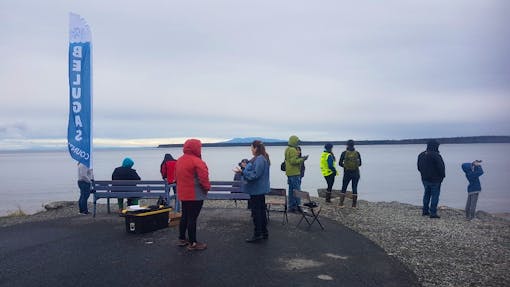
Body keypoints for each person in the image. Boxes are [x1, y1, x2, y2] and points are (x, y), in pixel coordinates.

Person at [175, 139, 211, 251]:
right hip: (195, 195)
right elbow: (203, 178)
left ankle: (182, 238)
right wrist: (207, 188)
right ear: (196, 148)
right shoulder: (197, 161)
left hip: (183, 194)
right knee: (192, 218)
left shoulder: (179, 160)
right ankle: (193, 243)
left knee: (185, 216)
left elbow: (176, 177)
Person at [241, 140, 271, 243]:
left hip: (256, 190)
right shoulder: (262, 158)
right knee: (261, 211)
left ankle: (258, 234)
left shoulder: (259, 159)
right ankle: (264, 232)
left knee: (257, 213)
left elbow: (255, 175)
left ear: (256, 148)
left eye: (252, 148)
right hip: (260, 190)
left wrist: (243, 172)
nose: (251, 150)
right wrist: (245, 170)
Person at [417, 140, 445, 219]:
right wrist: (442, 176)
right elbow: (441, 167)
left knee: (427, 194)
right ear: (435, 146)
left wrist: (423, 174)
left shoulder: (421, 155)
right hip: (435, 179)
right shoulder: (436, 155)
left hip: (425, 178)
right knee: (435, 195)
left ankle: (425, 211)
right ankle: (433, 213)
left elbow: (419, 167)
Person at [284, 135, 309, 212]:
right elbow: (293, 161)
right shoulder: (293, 150)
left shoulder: (287, 149)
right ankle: (299, 207)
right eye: (297, 141)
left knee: (291, 191)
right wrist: (303, 159)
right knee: (297, 191)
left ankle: (291, 207)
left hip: (289, 173)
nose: (298, 143)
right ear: (294, 141)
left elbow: (289, 160)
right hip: (294, 173)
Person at [338, 140, 362, 208]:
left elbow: (340, 163)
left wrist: (345, 166)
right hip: (356, 173)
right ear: (353, 145)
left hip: (347, 173)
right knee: (354, 187)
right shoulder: (357, 153)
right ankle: (354, 205)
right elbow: (360, 164)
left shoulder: (344, 153)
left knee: (344, 187)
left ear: (347, 145)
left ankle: (341, 204)